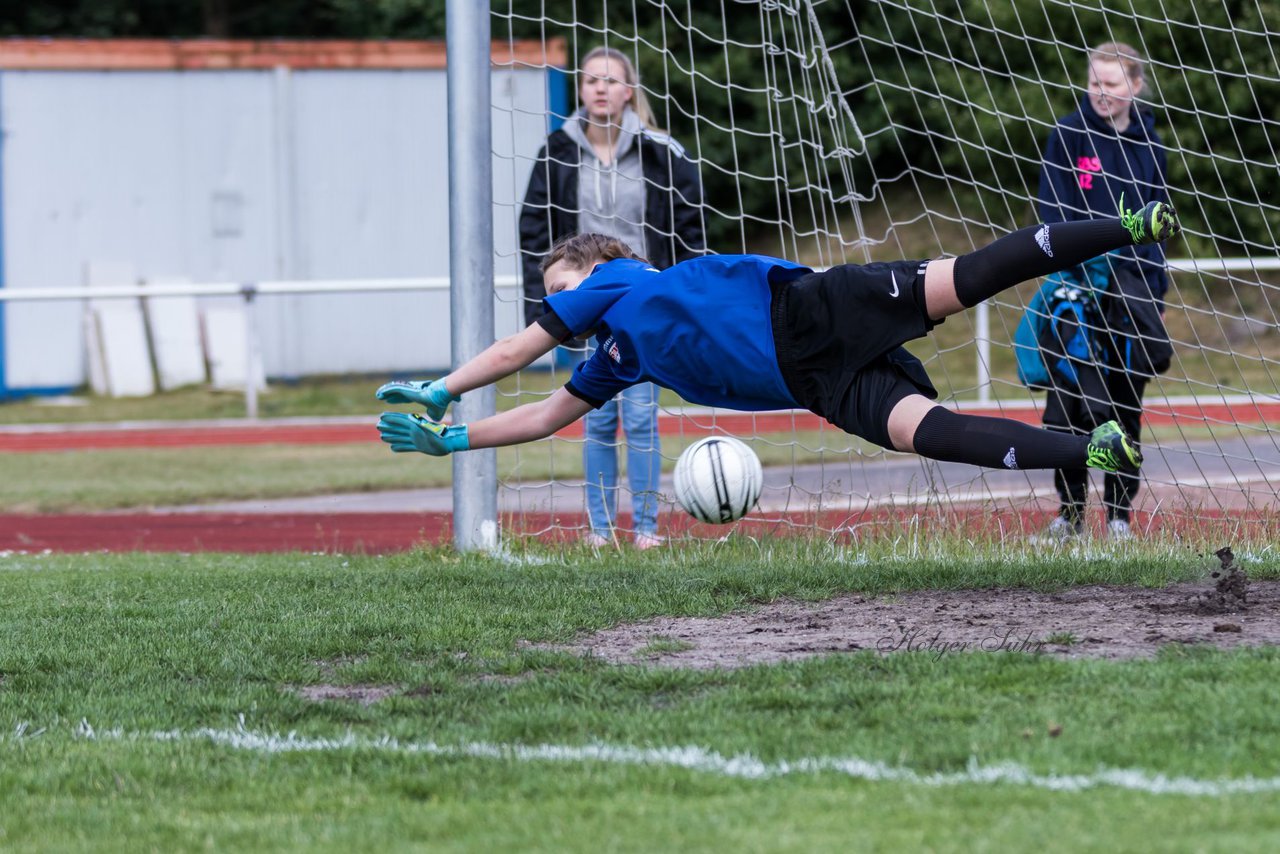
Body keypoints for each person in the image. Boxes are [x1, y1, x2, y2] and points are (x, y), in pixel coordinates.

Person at [375, 202, 1180, 506]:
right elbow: (546, 414)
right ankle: (1093, 446)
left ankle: (1131, 226)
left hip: (812, 307)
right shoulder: (616, 355)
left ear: (591, 269)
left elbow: (524, 347)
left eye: (561, 288)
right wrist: (453, 441)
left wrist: (446, 387)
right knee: (929, 434)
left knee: (968, 277)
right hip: (817, 381)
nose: (560, 306)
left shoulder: (617, 280)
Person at [518, 45, 705, 550]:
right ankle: (600, 532)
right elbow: (532, 227)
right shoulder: (556, 149)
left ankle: (645, 530)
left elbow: (689, 224)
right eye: (591, 80)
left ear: (628, 91)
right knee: (595, 413)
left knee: (642, 415)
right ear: (581, 89)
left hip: (644, 300)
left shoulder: (660, 150)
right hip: (585, 303)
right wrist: (549, 301)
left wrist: (684, 293)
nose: (600, 88)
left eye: (611, 80)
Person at [1036, 41, 1172, 542]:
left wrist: (1151, 291)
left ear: (1135, 86)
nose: (1101, 92)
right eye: (1094, 81)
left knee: (1124, 408)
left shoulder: (1151, 144)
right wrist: (1069, 271)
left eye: (1112, 83)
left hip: (1130, 294)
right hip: (1075, 289)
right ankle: (1068, 516)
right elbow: (1051, 213)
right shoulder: (1067, 136)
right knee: (1070, 405)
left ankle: (1118, 517)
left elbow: (1161, 221)